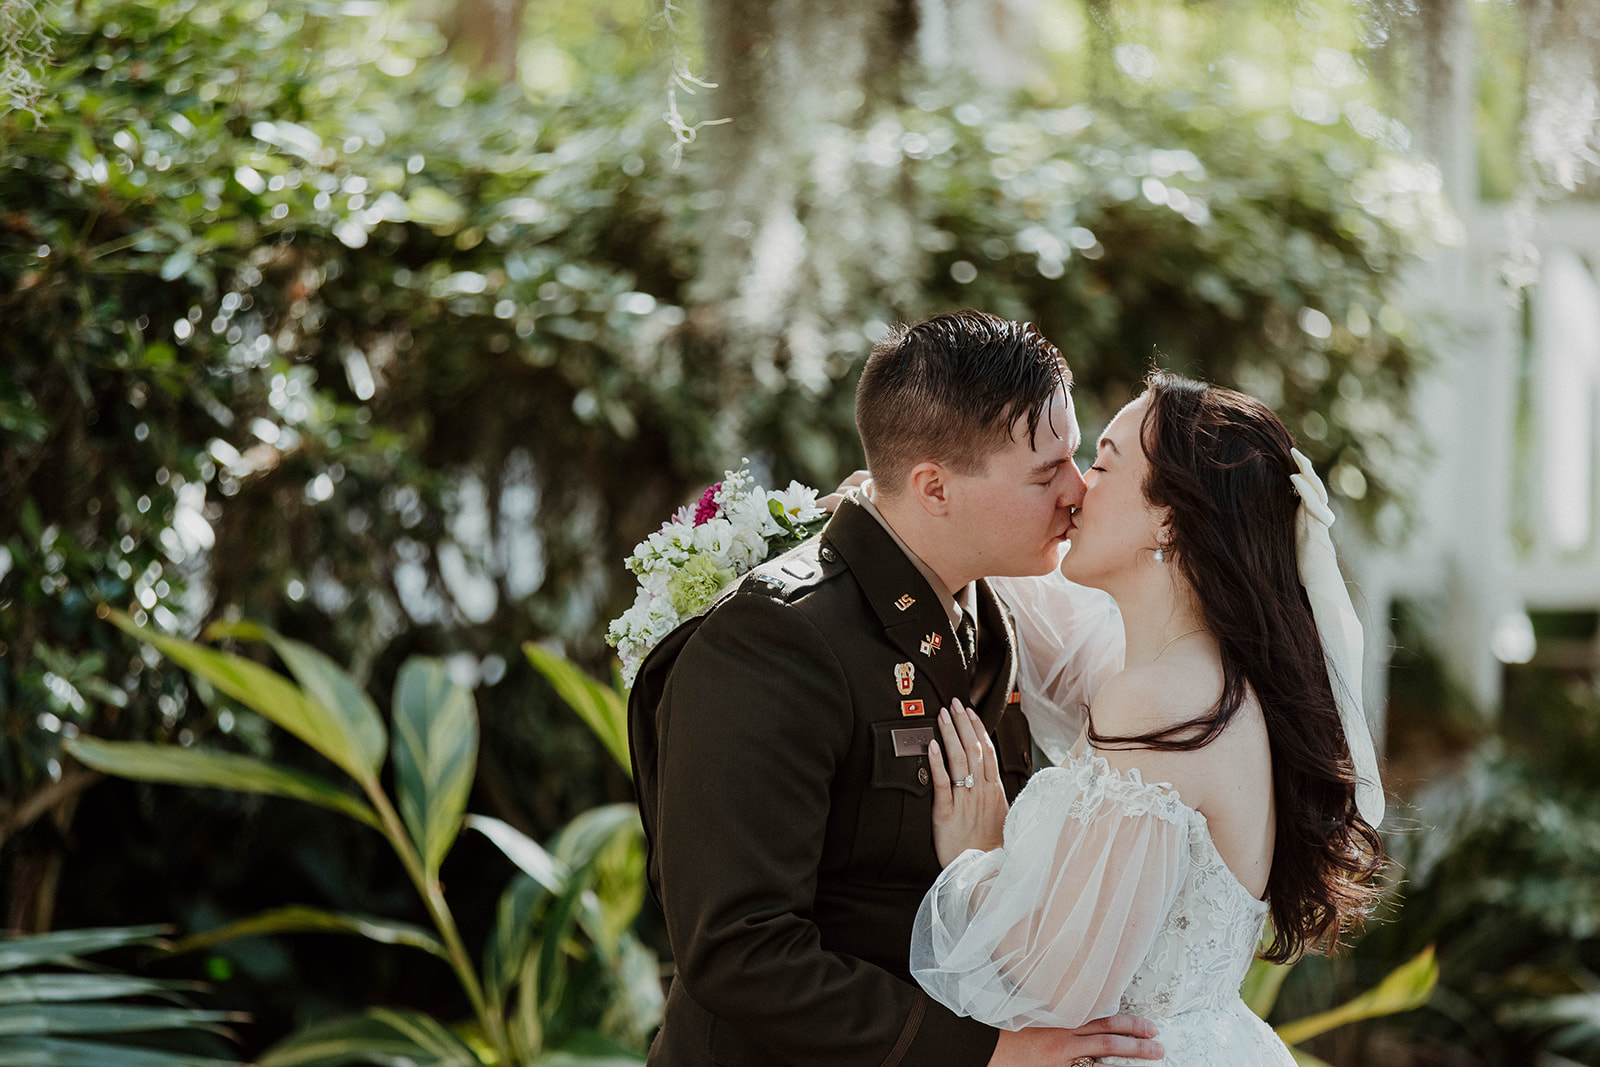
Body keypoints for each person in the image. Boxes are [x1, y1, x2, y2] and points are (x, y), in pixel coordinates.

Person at [627, 311, 1166, 1066]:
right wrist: (986, 1053)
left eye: (1075, 459)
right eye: (1047, 473)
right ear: (934, 488)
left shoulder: (996, 616)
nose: (1078, 492)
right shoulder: (774, 641)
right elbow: (738, 947)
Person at [909, 371, 1387, 1066]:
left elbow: (1061, 979)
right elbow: (1059, 637)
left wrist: (979, 857)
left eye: (1102, 462)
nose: (1075, 486)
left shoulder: (1163, 700)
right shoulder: (1208, 683)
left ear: (1169, 518)